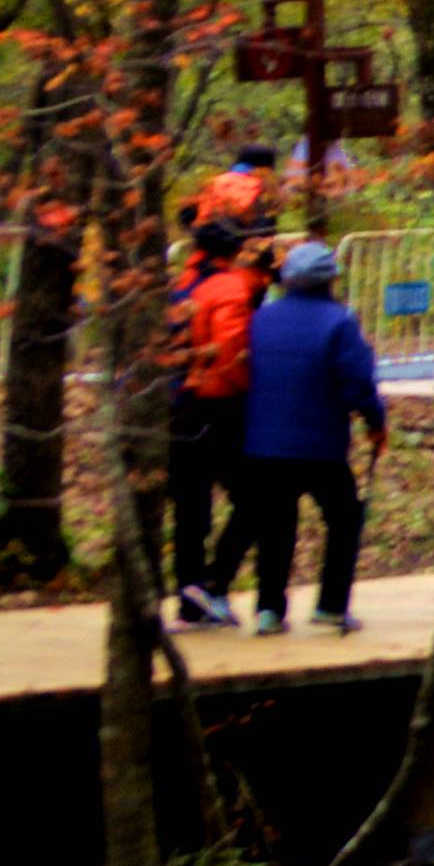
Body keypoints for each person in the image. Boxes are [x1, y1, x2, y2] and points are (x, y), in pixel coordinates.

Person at [222, 236, 388, 633]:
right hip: (321, 447)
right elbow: (357, 382)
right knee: (345, 518)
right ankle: (331, 604)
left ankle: (269, 610)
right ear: (330, 280)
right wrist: (375, 422)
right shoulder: (340, 322)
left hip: (264, 446)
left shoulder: (261, 319)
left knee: (275, 527)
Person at [164, 230, 262, 628]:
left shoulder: (181, 286)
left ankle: (190, 593)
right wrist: (247, 387)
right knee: (253, 498)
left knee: (190, 505)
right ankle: (214, 584)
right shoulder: (230, 289)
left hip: (176, 406)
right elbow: (230, 352)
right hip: (219, 406)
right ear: (234, 252)